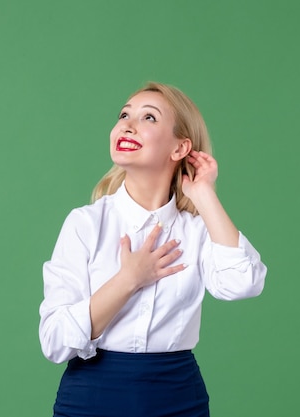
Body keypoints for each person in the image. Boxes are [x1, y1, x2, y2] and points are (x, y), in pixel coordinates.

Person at [39, 81, 267, 417]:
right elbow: (55, 341)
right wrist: (128, 279)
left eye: (149, 117)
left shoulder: (199, 229)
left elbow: (243, 284)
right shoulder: (85, 223)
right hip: (91, 397)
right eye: (124, 114)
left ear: (179, 148)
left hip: (177, 398)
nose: (127, 124)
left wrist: (204, 195)